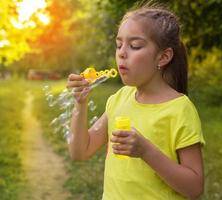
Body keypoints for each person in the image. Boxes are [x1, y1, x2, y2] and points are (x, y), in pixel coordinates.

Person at [67, 3, 205, 200]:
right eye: (118, 44)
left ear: (163, 56)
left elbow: (194, 187)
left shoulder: (179, 109)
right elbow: (80, 151)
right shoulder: (119, 99)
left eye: (135, 46)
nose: (122, 53)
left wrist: (146, 151)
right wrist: (80, 104)